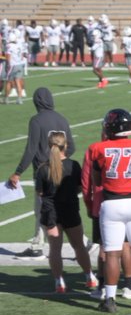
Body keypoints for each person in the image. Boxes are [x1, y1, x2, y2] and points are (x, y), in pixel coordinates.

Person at [82, 109, 131, 313]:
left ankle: (110, 299)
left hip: (112, 204)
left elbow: (97, 181)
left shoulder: (98, 149)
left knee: (112, 254)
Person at [8, 86, 74, 259]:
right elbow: (72, 147)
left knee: (42, 209)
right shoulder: (62, 119)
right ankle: (81, 241)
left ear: (37, 101)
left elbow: (31, 149)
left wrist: (18, 172)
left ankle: (38, 246)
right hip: (62, 171)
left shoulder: (36, 120)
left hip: (42, 173)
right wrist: (59, 160)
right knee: (59, 208)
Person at [34, 131, 97, 294]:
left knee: (55, 249)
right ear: (65, 145)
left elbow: (40, 193)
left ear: (50, 146)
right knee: (79, 246)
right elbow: (79, 187)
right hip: (69, 208)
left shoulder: (42, 168)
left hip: (50, 212)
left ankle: (59, 282)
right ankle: (89, 276)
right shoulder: (73, 165)